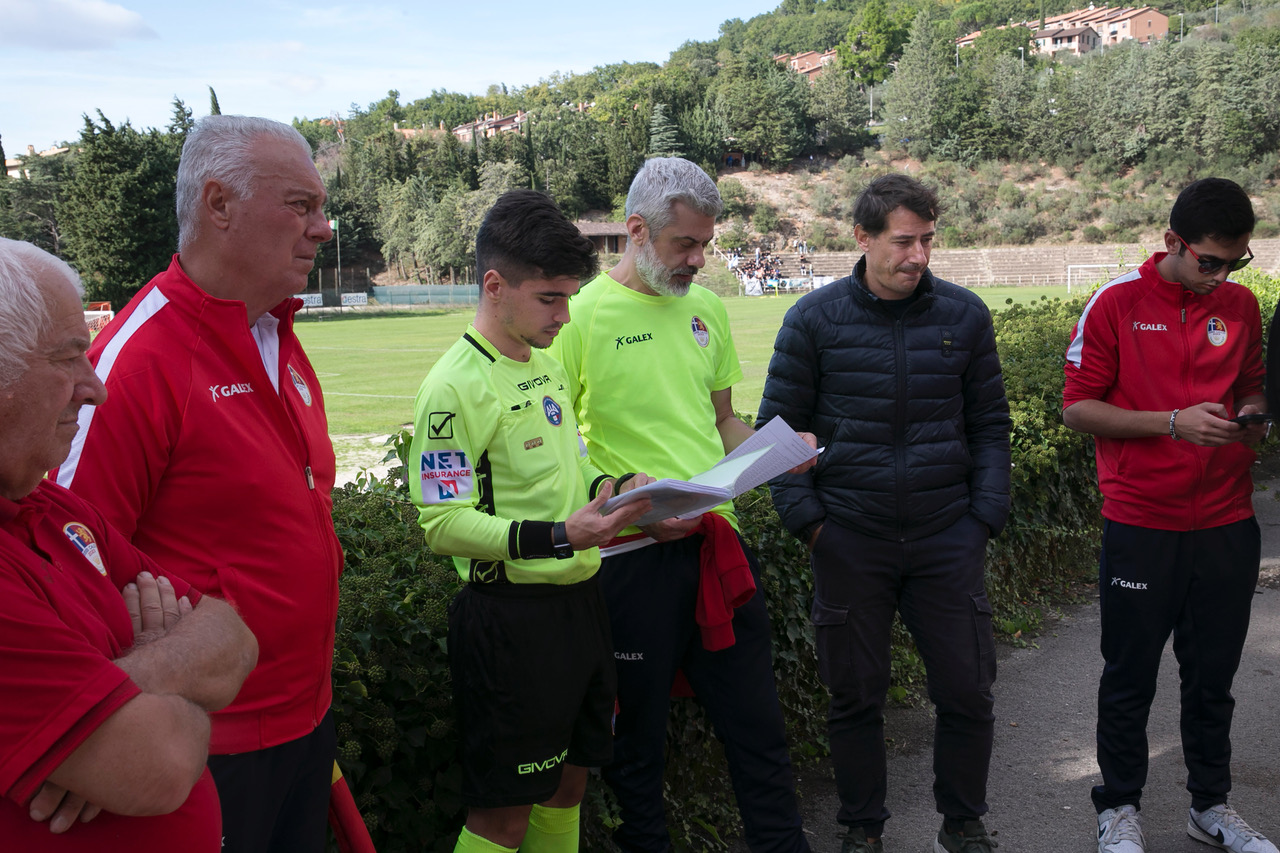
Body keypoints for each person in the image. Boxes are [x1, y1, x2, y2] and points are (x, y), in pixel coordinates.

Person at [54, 115, 343, 853]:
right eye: (301, 205)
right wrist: (83, 728)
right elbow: (60, 557)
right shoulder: (139, 359)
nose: (324, 227)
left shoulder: (278, 332)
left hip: (306, 722)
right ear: (219, 205)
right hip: (211, 744)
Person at [550, 157, 812, 853]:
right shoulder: (579, 316)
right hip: (633, 557)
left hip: (715, 546)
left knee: (759, 730)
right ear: (637, 231)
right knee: (636, 749)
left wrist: (776, 452)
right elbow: (555, 445)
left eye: (705, 243)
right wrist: (628, 495)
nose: (700, 259)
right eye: (685, 245)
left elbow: (722, 420)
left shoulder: (708, 309)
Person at [758, 174, 1011, 853]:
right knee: (855, 698)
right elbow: (777, 435)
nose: (919, 256)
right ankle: (861, 829)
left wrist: (980, 519)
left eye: (928, 240)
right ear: (863, 238)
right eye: (904, 241)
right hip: (851, 540)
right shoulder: (812, 320)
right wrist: (812, 525)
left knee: (967, 692)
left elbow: (990, 426)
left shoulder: (964, 317)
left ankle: (963, 823)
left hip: (945, 538)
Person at [409, 189, 654, 853]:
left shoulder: (545, 368)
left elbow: (561, 485)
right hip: (509, 621)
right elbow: (443, 523)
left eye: (570, 296)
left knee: (570, 786)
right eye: (550, 298)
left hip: (581, 607)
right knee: (502, 818)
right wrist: (560, 537)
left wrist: (615, 489)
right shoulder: (452, 387)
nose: (565, 315)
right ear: (495, 285)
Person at [0, 237, 257, 850]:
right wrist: (172, 678)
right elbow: (160, 764)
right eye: (68, 360)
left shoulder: (54, 510)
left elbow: (234, 640)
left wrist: (121, 683)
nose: (96, 389)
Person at [1063, 177, 1277, 853]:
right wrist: (1173, 423)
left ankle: (1209, 805)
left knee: (1212, 675)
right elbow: (1077, 408)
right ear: (1172, 243)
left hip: (1226, 523)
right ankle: (1118, 808)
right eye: (1208, 261)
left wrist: (1251, 415)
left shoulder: (1241, 305)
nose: (1220, 277)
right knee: (1130, 674)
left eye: (1234, 262)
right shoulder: (1116, 304)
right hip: (1142, 524)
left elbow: (1249, 382)